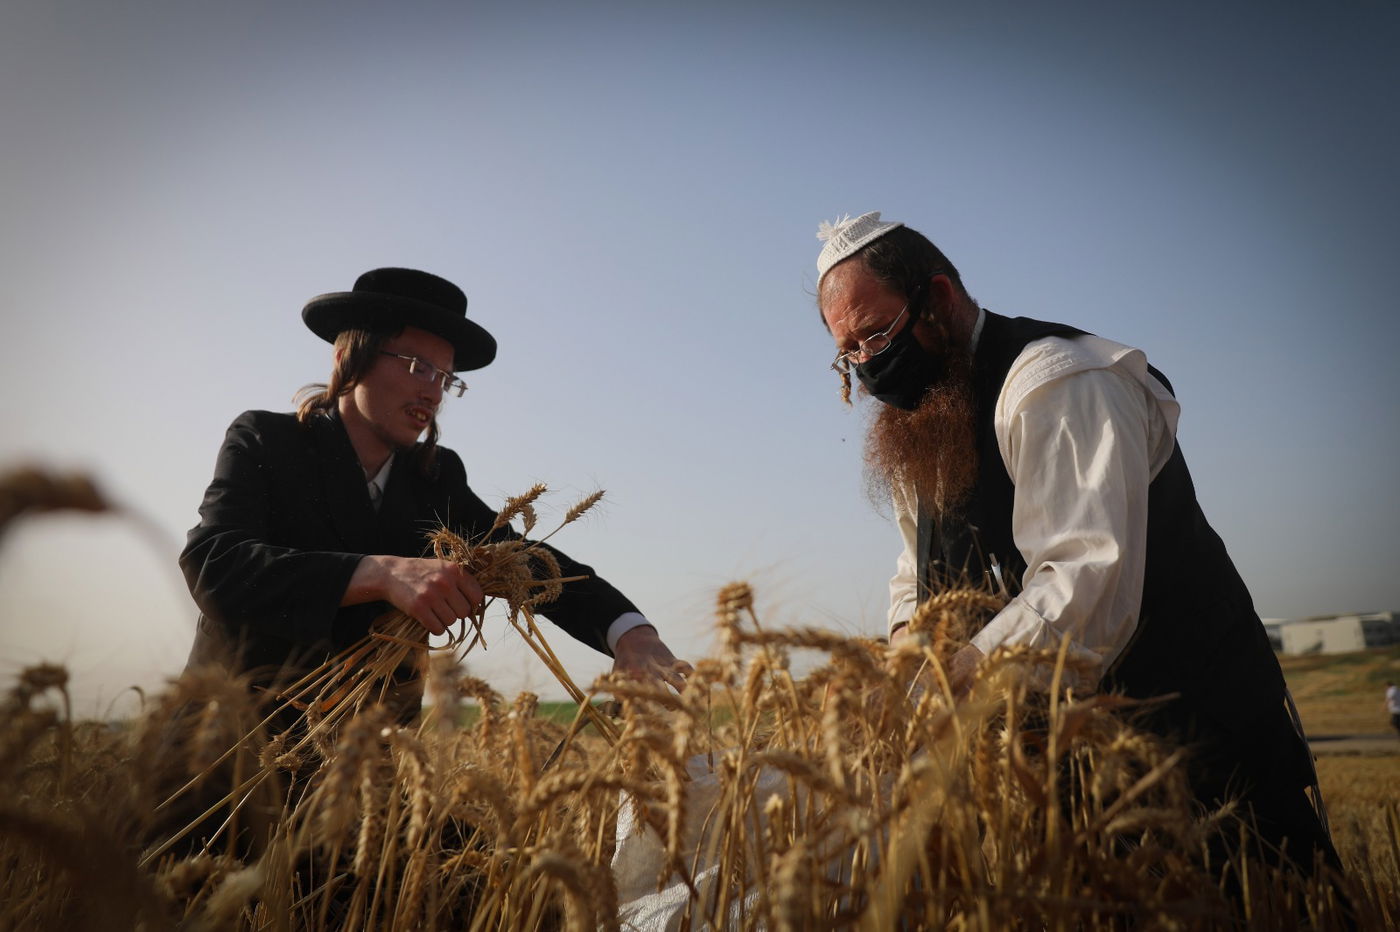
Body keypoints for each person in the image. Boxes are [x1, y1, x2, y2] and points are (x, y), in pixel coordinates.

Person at [813, 212, 1339, 878]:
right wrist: (905, 664)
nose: (867, 365)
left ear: (938, 300)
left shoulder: (1058, 382)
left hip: (1188, 749)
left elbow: (1085, 583)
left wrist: (959, 683)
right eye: (848, 351)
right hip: (1062, 770)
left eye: (877, 333)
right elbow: (917, 574)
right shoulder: (924, 426)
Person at [180, 267, 690, 717]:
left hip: (370, 771)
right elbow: (214, 564)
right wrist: (381, 573)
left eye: (446, 377)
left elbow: (524, 560)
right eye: (415, 365)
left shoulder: (435, 476)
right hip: (228, 762)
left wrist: (630, 633)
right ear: (346, 361)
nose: (433, 390)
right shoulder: (268, 439)